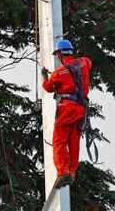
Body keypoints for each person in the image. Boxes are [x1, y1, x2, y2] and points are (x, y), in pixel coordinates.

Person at [41, 39, 92, 188]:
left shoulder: (58, 73)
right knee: (74, 141)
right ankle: (72, 171)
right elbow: (88, 62)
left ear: (59, 54)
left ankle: (63, 172)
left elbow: (48, 88)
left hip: (67, 108)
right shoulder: (83, 62)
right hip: (81, 109)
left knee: (59, 141)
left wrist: (45, 76)